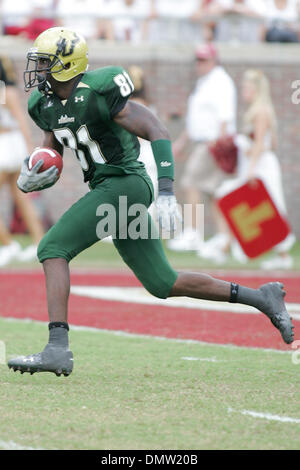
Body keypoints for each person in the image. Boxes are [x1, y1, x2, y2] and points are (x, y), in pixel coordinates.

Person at [7, 27, 294, 376]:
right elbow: (52, 148)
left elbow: (157, 129)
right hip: (106, 186)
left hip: (125, 183)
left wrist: (168, 190)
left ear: (66, 65)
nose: (37, 70)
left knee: (52, 247)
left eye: (45, 63)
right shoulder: (44, 103)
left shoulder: (99, 91)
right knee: (162, 282)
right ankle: (262, 298)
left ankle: (57, 348)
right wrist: (34, 172)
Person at [216, 69, 295, 269]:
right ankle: (231, 245)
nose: (244, 91)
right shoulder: (257, 110)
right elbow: (271, 143)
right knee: (243, 203)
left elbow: (261, 143)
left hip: (261, 167)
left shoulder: (261, 111)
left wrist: (251, 167)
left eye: (247, 87)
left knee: (271, 205)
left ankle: (282, 254)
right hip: (256, 163)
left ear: (256, 89)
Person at [168, 43, 237, 263]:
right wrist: (181, 143)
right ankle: (223, 237)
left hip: (212, 143)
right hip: (201, 141)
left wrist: (219, 143)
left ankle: (193, 233)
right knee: (213, 192)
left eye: (204, 60)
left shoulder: (221, 82)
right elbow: (196, 119)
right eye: (197, 60)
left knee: (191, 184)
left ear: (214, 61)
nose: (199, 64)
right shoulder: (203, 83)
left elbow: (225, 116)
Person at [0, 55, 45, 267]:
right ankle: (39, 242)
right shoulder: (7, 90)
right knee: (21, 197)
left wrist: (30, 148)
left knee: (21, 197)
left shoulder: (5, 91)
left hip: (7, 145)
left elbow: (19, 119)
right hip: (12, 144)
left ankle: (8, 244)